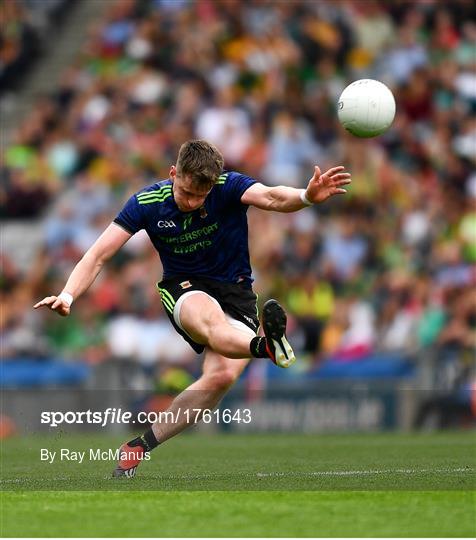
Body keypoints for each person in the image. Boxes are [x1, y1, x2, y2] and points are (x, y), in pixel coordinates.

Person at [34, 139, 351, 478]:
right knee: (213, 325)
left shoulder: (228, 186)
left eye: (201, 196)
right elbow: (98, 254)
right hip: (184, 289)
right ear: (174, 173)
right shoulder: (147, 203)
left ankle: (138, 447)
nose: (193, 202)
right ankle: (266, 346)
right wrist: (68, 295)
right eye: (186, 192)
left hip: (237, 292)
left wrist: (305, 197)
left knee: (220, 377)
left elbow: (272, 196)